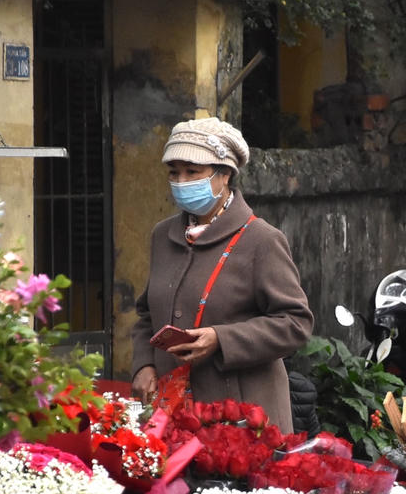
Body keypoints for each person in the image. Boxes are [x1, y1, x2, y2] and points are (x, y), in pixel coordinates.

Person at [130, 117, 313, 432]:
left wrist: (221, 339)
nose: (181, 181)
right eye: (174, 172)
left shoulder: (261, 239)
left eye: (193, 172)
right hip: (175, 411)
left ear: (225, 174)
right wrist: (144, 364)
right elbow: (148, 312)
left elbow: (295, 323)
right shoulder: (163, 236)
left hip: (246, 420)